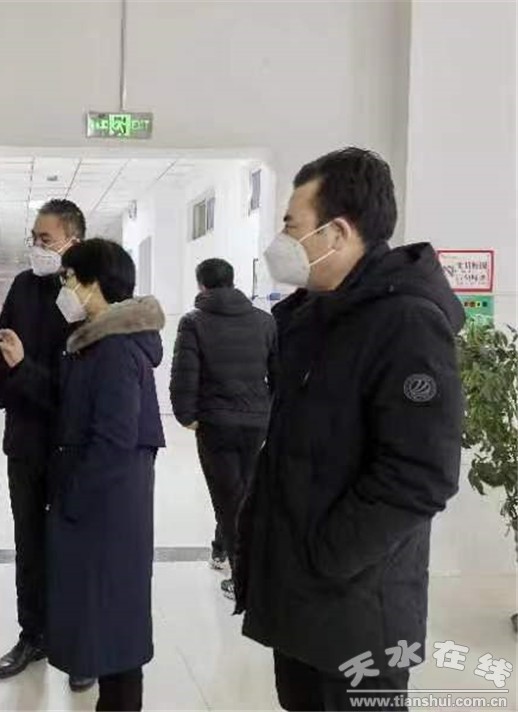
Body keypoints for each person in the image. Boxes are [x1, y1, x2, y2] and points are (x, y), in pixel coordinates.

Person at [234, 148, 464, 711]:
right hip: (301, 598)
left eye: (292, 226)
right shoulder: (314, 317)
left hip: (356, 605)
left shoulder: (407, 323)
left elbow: (421, 474)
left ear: (336, 233)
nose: (281, 241)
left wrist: (326, 555)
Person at [47, 239, 165, 712]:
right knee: (110, 618)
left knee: (113, 618)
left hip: (106, 505)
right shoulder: (98, 342)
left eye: (68, 279)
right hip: (108, 500)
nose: (64, 289)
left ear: (92, 283)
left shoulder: (114, 348)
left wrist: (73, 498)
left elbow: (113, 439)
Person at [0, 199, 94, 692]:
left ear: (73, 241)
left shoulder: (89, 291)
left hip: (73, 446)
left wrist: (24, 371)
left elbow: (81, 384)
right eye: (33, 237)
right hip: (26, 441)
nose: (36, 246)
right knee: (29, 543)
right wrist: (13, 383)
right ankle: (33, 635)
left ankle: (80, 644)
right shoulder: (24, 286)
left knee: (74, 545)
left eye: (45, 239)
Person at [169, 258, 276, 600]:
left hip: (216, 424)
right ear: (232, 281)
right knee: (241, 489)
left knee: (228, 496)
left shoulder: (194, 322)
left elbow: (185, 374)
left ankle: (243, 578)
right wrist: (269, 411)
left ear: (201, 284)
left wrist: (186, 416)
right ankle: (220, 549)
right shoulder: (264, 321)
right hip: (256, 423)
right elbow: (278, 373)